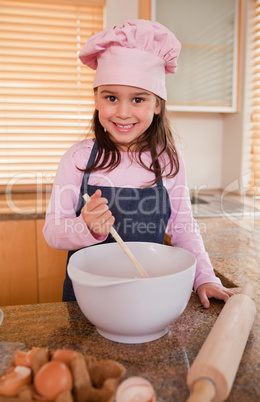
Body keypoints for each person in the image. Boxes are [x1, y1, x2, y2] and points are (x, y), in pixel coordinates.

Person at [43, 19, 236, 307]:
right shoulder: (79, 158)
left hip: (148, 293)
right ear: (96, 99)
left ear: (157, 105)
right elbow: (53, 232)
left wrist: (205, 277)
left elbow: (183, 226)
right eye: (111, 97)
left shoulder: (168, 159)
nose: (122, 112)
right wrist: (87, 227)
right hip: (88, 299)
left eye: (137, 99)